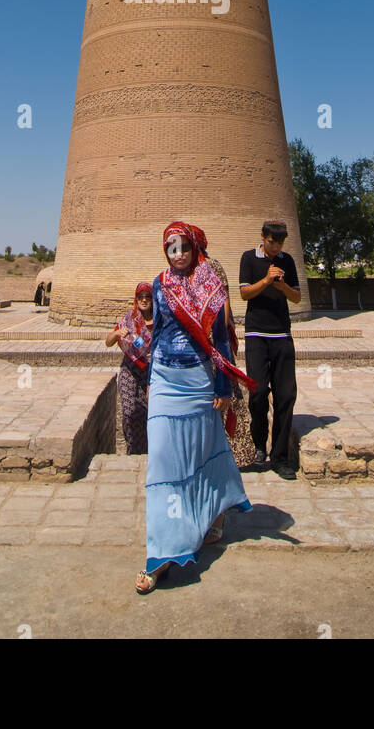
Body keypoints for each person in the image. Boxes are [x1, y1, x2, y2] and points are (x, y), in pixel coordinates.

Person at [136, 221, 255, 594]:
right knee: (163, 464)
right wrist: (152, 381)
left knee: (206, 451)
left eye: (183, 246)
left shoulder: (210, 286)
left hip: (200, 382)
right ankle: (162, 553)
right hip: (167, 381)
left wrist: (223, 385)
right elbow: (156, 334)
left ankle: (215, 510)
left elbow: (220, 337)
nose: (178, 254)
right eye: (171, 247)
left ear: (194, 249)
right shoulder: (159, 284)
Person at [238, 220, 301, 480]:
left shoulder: (287, 261)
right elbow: (244, 294)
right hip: (256, 335)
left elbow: (296, 297)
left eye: (280, 242)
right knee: (258, 392)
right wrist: (265, 280)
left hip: (281, 334)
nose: (276, 247)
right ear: (263, 238)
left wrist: (282, 285)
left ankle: (280, 458)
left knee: (286, 395)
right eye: (272, 241)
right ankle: (258, 446)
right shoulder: (248, 258)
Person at [207, 257, 256, 468]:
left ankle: (237, 455)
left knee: (227, 396)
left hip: (215, 342)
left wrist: (217, 335)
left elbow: (223, 301)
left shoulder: (212, 266)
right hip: (196, 346)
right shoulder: (182, 271)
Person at [105, 283, 153, 454]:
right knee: (129, 410)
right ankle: (132, 447)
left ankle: (147, 449)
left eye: (148, 296)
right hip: (129, 369)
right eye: (141, 296)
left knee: (148, 412)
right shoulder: (129, 319)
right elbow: (108, 341)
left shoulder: (160, 322)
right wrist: (117, 334)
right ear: (136, 299)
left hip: (151, 372)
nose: (144, 300)